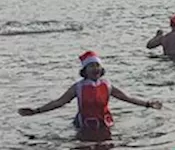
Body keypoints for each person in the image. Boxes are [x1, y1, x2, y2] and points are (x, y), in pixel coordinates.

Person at [18, 51, 161, 138]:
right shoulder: (78, 87)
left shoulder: (107, 85)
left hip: (105, 125)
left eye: (97, 65)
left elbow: (127, 98)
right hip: (83, 127)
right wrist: (36, 111)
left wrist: (148, 104)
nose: (95, 69)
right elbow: (59, 102)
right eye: (91, 66)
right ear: (84, 70)